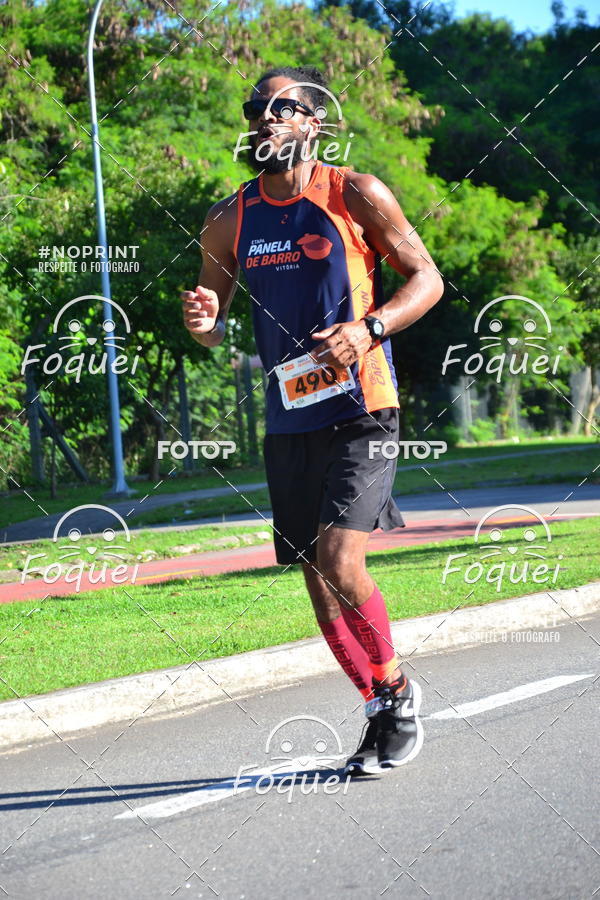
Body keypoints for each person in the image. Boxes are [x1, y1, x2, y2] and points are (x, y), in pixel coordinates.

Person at [182, 65, 444, 775]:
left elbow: (428, 280)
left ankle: (397, 690)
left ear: (314, 122)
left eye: (282, 107)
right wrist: (204, 322)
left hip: (363, 406)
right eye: (256, 108)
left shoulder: (354, 192)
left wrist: (370, 329)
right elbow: (210, 322)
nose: (266, 117)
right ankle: (378, 706)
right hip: (289, 415)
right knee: (311, 574)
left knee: (339, 561)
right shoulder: (229, 217)